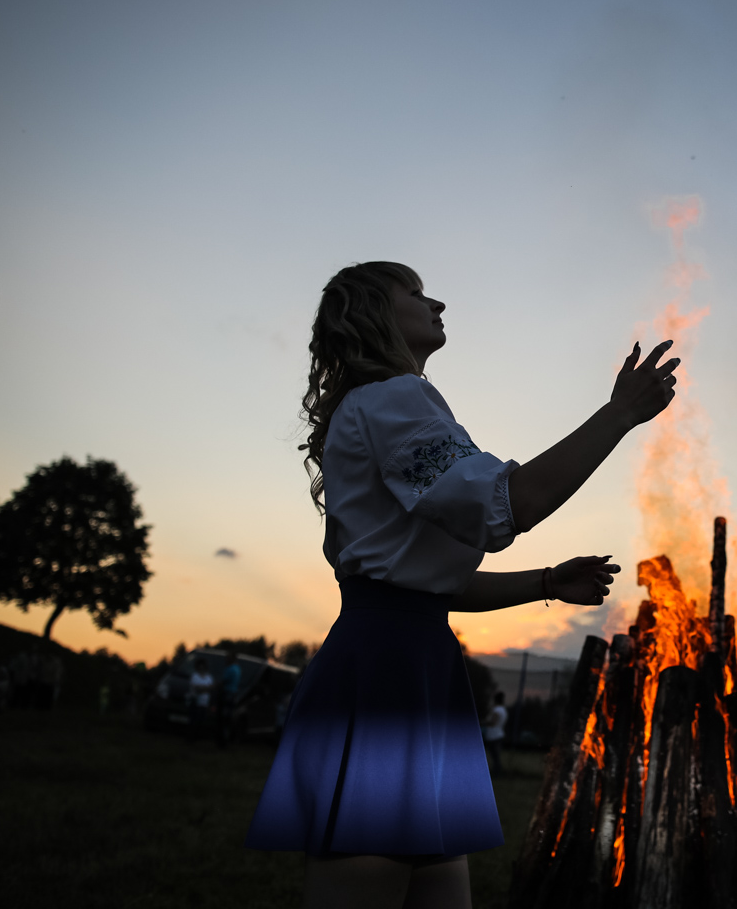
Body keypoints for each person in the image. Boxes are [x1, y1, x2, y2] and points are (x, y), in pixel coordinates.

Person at [245, 261, 678, 909]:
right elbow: (513, 501)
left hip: (411, 661)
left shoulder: (385, 405)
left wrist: (545, 583)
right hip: (387, 675)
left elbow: (425, 588)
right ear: (375, 315)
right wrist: (618, 415)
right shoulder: (393, 399)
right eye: (416, 294)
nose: (437, 302)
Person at [217, 651, 244, 747]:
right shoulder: (238, 669)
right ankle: (228, 740)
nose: (226, 659)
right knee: (229, 718)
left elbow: (223, 681)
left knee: (224, 718)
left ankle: (223, 741)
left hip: (227, 694)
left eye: (227, 657)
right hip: (233, 694)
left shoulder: (231, 669)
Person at [187, 657, 214, 744]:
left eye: (203, 665)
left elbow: (211, 688)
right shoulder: (194, 676)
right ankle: (191, 739)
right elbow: (197, 689)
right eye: (200, 665)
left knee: (201, 722)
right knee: (194, 722)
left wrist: (203, 688)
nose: (202, 667)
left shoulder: (209, 677)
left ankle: (196, 739)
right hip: (196, 703)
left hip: (205, 703)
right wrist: (207, 688)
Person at [482, 691, 507, 775]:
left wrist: (482, 722)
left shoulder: (497, 710)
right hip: (498, 735)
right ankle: (497, 772)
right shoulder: (503, 710)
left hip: (494, 736)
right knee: (495, 756)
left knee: (494, 756)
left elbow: (492, 722)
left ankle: (497, 773)